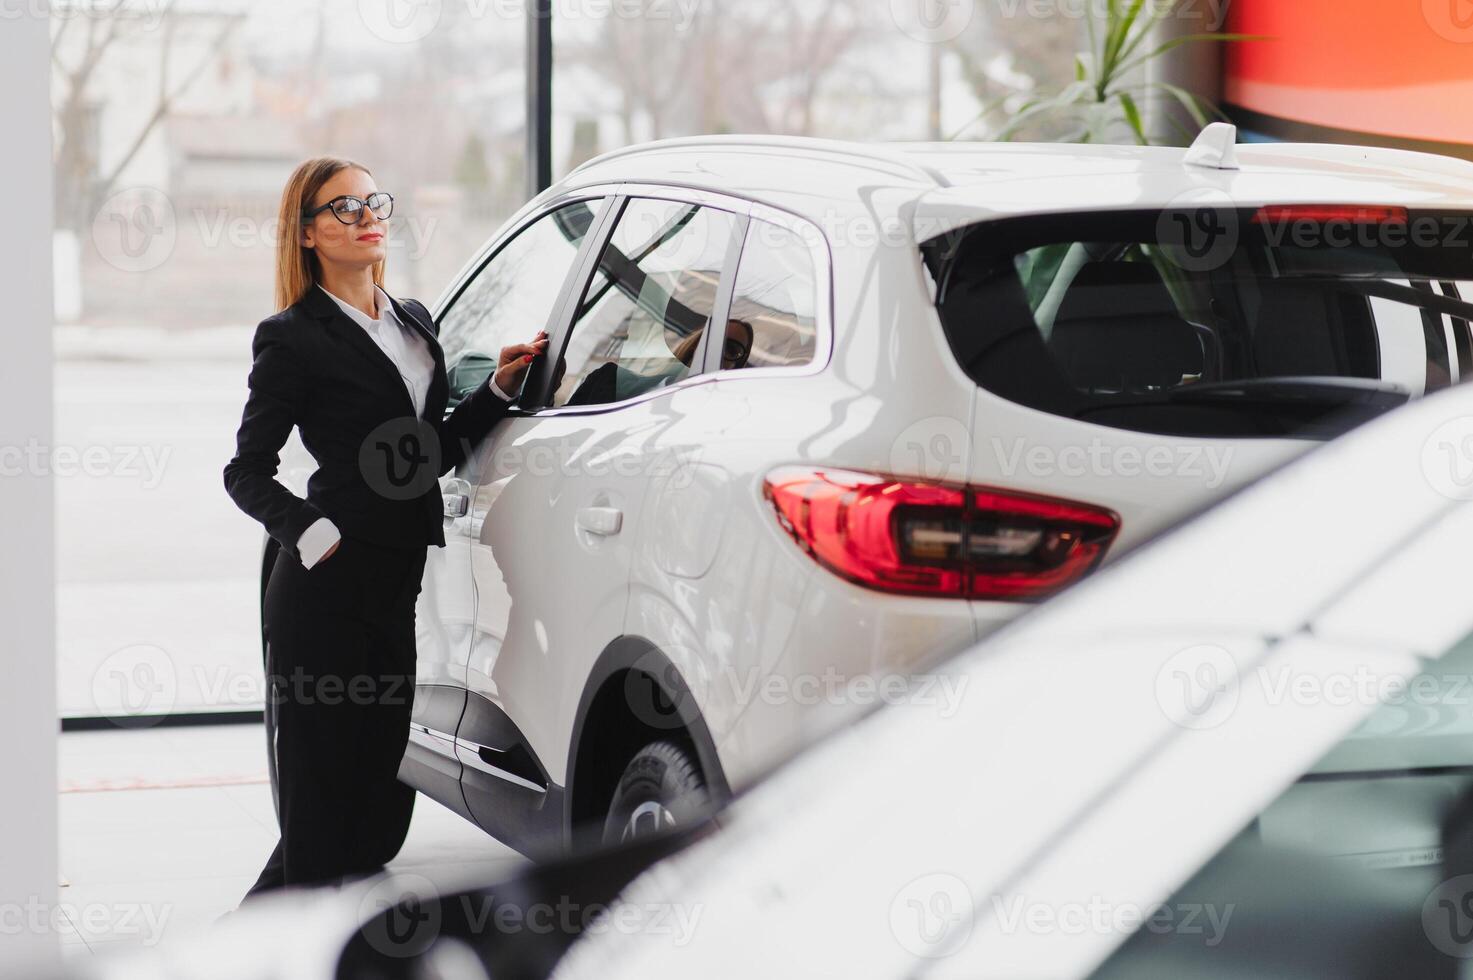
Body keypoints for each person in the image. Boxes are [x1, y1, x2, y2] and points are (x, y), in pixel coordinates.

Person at [222, 156, 546, 898]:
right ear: (306, 235)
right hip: (323, 585)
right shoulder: (291, 337)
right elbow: (245, 470)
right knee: (318, 802)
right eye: (342, 208)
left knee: (369, 795)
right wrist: (311, 532)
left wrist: (497, 388)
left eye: (372, 202)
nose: (367, 216)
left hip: (396, 576)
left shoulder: (413, 321)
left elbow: (426, 453)